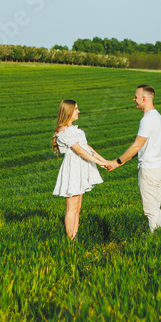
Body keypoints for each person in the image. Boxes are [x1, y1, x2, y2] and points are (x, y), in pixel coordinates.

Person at [107, 85, 161, 232]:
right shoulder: (157, 117)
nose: (134, 99)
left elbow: (136, 146)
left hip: (149, 171)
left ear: (144, 99)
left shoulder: (147, 120)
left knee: (151, 211)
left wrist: (117, 162)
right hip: (159, 168)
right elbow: (141, 147)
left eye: (136, 97)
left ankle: (158, 242)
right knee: (155, 209)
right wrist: (122, 162)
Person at [52, 99, 112, 241]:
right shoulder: (63, 131)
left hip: (81, 168)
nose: (78, 111)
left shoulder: (75, 130)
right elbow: (79, 151)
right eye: (76, 109)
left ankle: (75, 236)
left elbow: (87, 148)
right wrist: (99, 162)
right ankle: (70, 241)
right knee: (71, 208)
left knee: (78, 207)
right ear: (68, 112)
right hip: (72, 169)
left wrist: (104, 161)